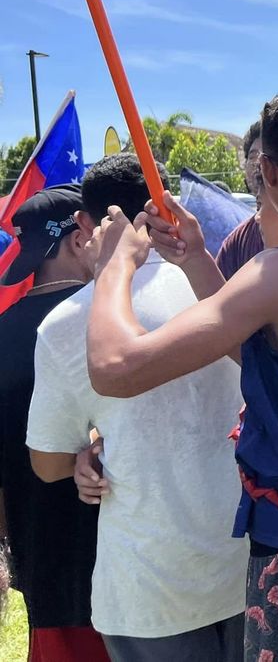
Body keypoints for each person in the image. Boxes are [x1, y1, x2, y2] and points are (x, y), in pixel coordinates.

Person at [83, 89, 278, 661]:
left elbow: (114, 368)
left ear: (268, 172)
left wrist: (113, 269)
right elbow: (259, 350)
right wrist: (197, 259)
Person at [25, 156, 246, 661]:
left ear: (87, 225)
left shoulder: (65, 326)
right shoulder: (223, 288)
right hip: (244, 560)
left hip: (150, 586)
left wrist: (91, 449)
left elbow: (49, 462)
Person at [0, 185, 108, 662]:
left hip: (40, 552)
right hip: (119, 547)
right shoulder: (110, 320)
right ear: (78, 237)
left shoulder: (3, 332)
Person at [214, 121, 265, 278]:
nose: (259, 164)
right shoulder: (237, 241)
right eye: (253, 156)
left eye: (266, 155)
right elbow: (220, 299)